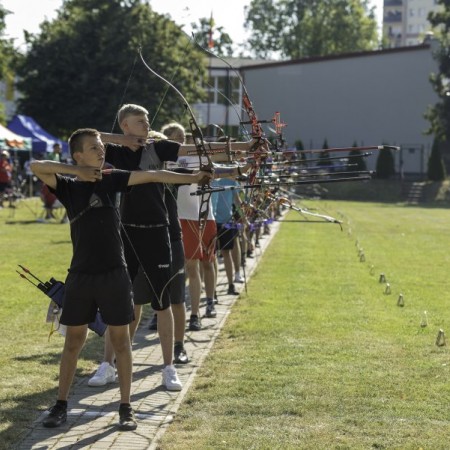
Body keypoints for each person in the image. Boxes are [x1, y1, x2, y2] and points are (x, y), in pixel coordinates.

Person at [30, 128, 211, 430]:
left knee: (121, 340)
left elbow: (154, 176)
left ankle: (126, 407)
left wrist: (193, 179)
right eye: (93, 148)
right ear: (78, 155)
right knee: (74, 341)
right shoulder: (68, 185)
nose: (101, 151)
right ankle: (60, 405)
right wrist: (76, 171)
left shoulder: (112, 178)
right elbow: (37, 167)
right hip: (81, 275)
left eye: (102, 147)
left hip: (115, 273)